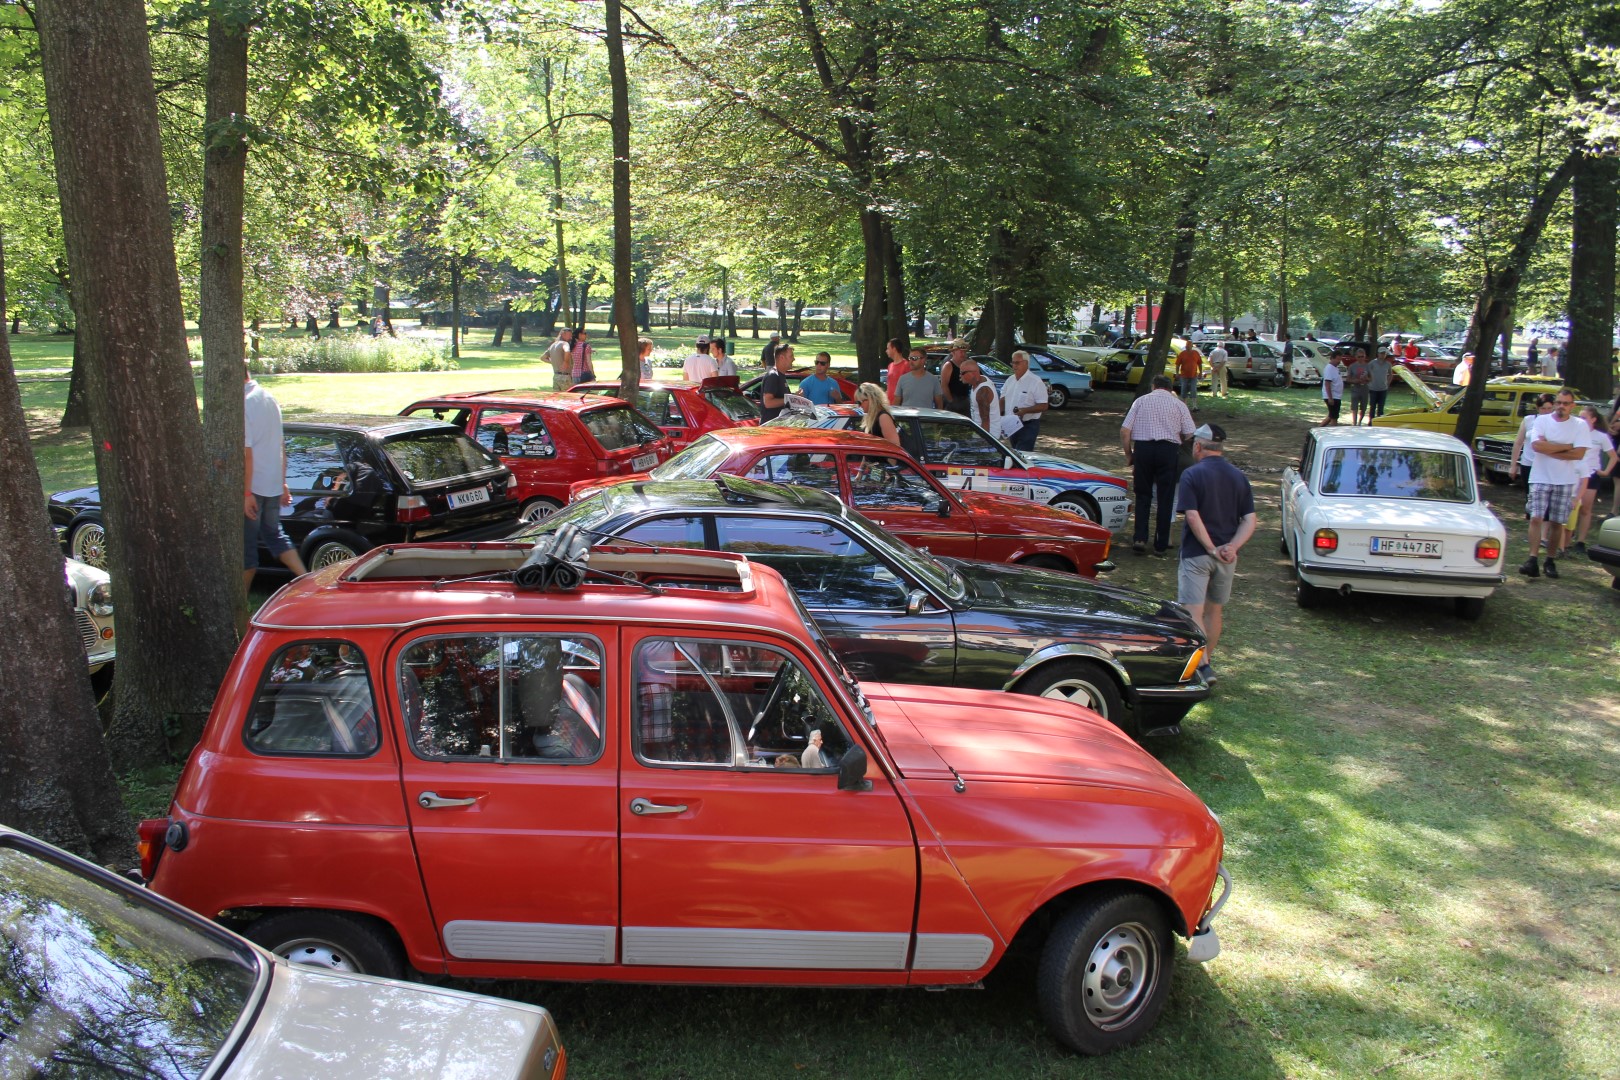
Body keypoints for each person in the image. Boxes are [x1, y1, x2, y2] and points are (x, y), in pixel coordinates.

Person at [1175, 423, 1255, 685]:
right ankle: (1207, 660)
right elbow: (1250, 519)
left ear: (1198, 446)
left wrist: (1209, 547)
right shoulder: (1238, 476)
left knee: (1192, 611)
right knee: (1214, 611)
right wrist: (1232, 547)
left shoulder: (1191, 475)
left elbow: (1192, 515)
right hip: (1227, 557)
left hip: (1197, 554)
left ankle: (1203, 665)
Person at [243, 366, 308, 590]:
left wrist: (246, 493)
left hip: (254, 485)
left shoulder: (245, 404)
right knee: (274, 534)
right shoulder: (269, 397)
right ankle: (307, 579)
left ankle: (237, 606)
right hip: (271, 482)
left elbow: (247, 454)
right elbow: (280, 445)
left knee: (247, 549)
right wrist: (282, 481)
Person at [1519, 389, 1593, 580]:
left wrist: (1550, 447)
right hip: (1540, 476)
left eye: (1566, 403)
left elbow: (1579, 454)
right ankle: (1532, 559)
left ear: (1572, 406)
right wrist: (1568, 445)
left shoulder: (1579, 425)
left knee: (1556, 522)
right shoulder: (1542, 421)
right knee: (1536, 517)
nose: (1562, 406)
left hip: (1565, 479)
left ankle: (1550, 559)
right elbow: (1537, 446)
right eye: (1559, 402)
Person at [1119, 375, 1196, 555]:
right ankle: (1161, 543)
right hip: (1168, 450)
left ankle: (1139, 537)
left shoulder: (1141, 401)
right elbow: (1191, 433)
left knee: (1143, 494)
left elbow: (1125, 430)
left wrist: (1129, 454)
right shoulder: (1179, 405)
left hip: (1144, 449)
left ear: (1153, 386)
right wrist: (1177, 439)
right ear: (1170, 388)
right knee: (1165, 496)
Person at [1571, 405, 1616, 556]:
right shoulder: (1574, 433)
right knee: (1571, 506)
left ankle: (1580, 541)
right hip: (1573, 474)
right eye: (1580, 417)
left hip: (1591, 475)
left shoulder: (1600, 436)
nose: (1581, 421)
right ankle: (1566, 536)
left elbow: (1614, 456)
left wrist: (1605, 472)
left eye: (1584, 418)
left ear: (1593, 419)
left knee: (1585, 508)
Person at [999, 349, 1049, 452]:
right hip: (1011, 424)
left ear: (1026, 363)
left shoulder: (1035, 381)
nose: (1014, 366)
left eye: (1017, 363)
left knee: (1022, 454)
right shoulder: (1010, 380)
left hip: (1028, 425)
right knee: (1014, 453)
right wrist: (998, 414)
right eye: (1012, 362)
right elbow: (1003, 398)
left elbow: (1044, 405)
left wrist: (1025, 410)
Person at [1509, 395, 1556, 486]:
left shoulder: (1556, 422)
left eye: (1549, 408)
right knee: (1529, 494)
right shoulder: (1528, 420)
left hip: (1547, 465)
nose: (1546, 412)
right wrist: (1513, 465)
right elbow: (1518, 443)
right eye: (1543, 408)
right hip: (1528, 464)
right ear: (1538, 408)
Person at [962, 359, 1000, 440]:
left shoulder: (982, 391)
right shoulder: (980, 380)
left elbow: (985, 420)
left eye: (962, 373)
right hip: (980, 434)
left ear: (974, 373)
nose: (960, 376)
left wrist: (982, 442)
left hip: (988, 438)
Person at [759, 342, 793, 421]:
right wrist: (790, 399)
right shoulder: (772, 376)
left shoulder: (781, 376)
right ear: (781, 357)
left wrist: (795, 398)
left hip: (780, 426)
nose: (793, 359)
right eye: (791, 356)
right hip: (770, 428)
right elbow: (768, 403)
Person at [939, 339, 972, 414]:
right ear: (953, 352)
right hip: (952, 402)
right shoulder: (948, 365)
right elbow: (944, 385)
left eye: (964, 352)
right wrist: (951, 401)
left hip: (965, 400)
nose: (963, 354)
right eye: (961, 352)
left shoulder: (965, 364)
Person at [1175, 341, 1203, 410]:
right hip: (1184, 375)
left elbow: (1199, 364)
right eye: (1187, 345)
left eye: (1189, 345)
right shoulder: (1182, 354)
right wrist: (1177, 373)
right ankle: (1184, 405)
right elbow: (1177, 364)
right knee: (1184, 389)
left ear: (1191, 346)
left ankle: (1194, 406)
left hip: (1193, 375)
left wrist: (1200, 373)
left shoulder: (1196, 353)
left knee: (1193, 389)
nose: (1188, 347)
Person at [1320, 351, 1346, 426]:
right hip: (1332, 396)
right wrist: (1330, 398)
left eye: (1340, 359)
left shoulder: (1335, 368)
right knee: (1334, 417)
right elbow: (1327, 384)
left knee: (1331, 415)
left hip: (1336, 395)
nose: (1339, 361)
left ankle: (1318, 429)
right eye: (1337, 359)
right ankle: (1333, 431)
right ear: (1332, 358)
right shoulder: (1329, 368)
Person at [1346, 349, 1371, 425]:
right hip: (1355, 388)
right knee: (1354, 407)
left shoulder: (1368, 366)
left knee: (1363, 407)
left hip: (1365, 388)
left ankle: (1360, 422)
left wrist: (1367, 379)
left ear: (1365, 356)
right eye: (1359, 357)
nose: (1361, 358)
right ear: (1356, 357)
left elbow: (1371, 378)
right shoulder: (1352, 366)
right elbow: (1348, 379)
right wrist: (1355, 381)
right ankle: (1354, 423)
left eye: (1362, 356)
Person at [547, 326, 575, 391]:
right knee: (568, 397)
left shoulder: (553, 345)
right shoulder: (565, 343)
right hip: (565, 377)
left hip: (556, 377)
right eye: (569, 335)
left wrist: (553, 362)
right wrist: (566, 362)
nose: (570, 337)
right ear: (563, 334)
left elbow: (543, 358)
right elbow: (567, 351)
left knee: (557, 398)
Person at [1367, 348, 1393, 419]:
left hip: (1383, 389)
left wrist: (1387, 384)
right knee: (1372, 407)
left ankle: (1379, 423)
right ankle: (1371, 422)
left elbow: (1390, 374)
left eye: (1384, 353)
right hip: (1373, 388)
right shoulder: (1372, 363)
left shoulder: (1388, 364)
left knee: (1381, 407)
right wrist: (1369, 381)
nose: (1382, 355)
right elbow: (1366, 373)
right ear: (1378, 354)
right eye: (1381, 353)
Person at [883, 337, 910, 404]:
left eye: (888, 348)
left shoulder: (906, 365)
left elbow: (908, 387)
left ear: (894, 349)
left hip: (900, 405)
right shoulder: (890, 366)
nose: (886, 351)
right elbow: (889, 386)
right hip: (889, 404)